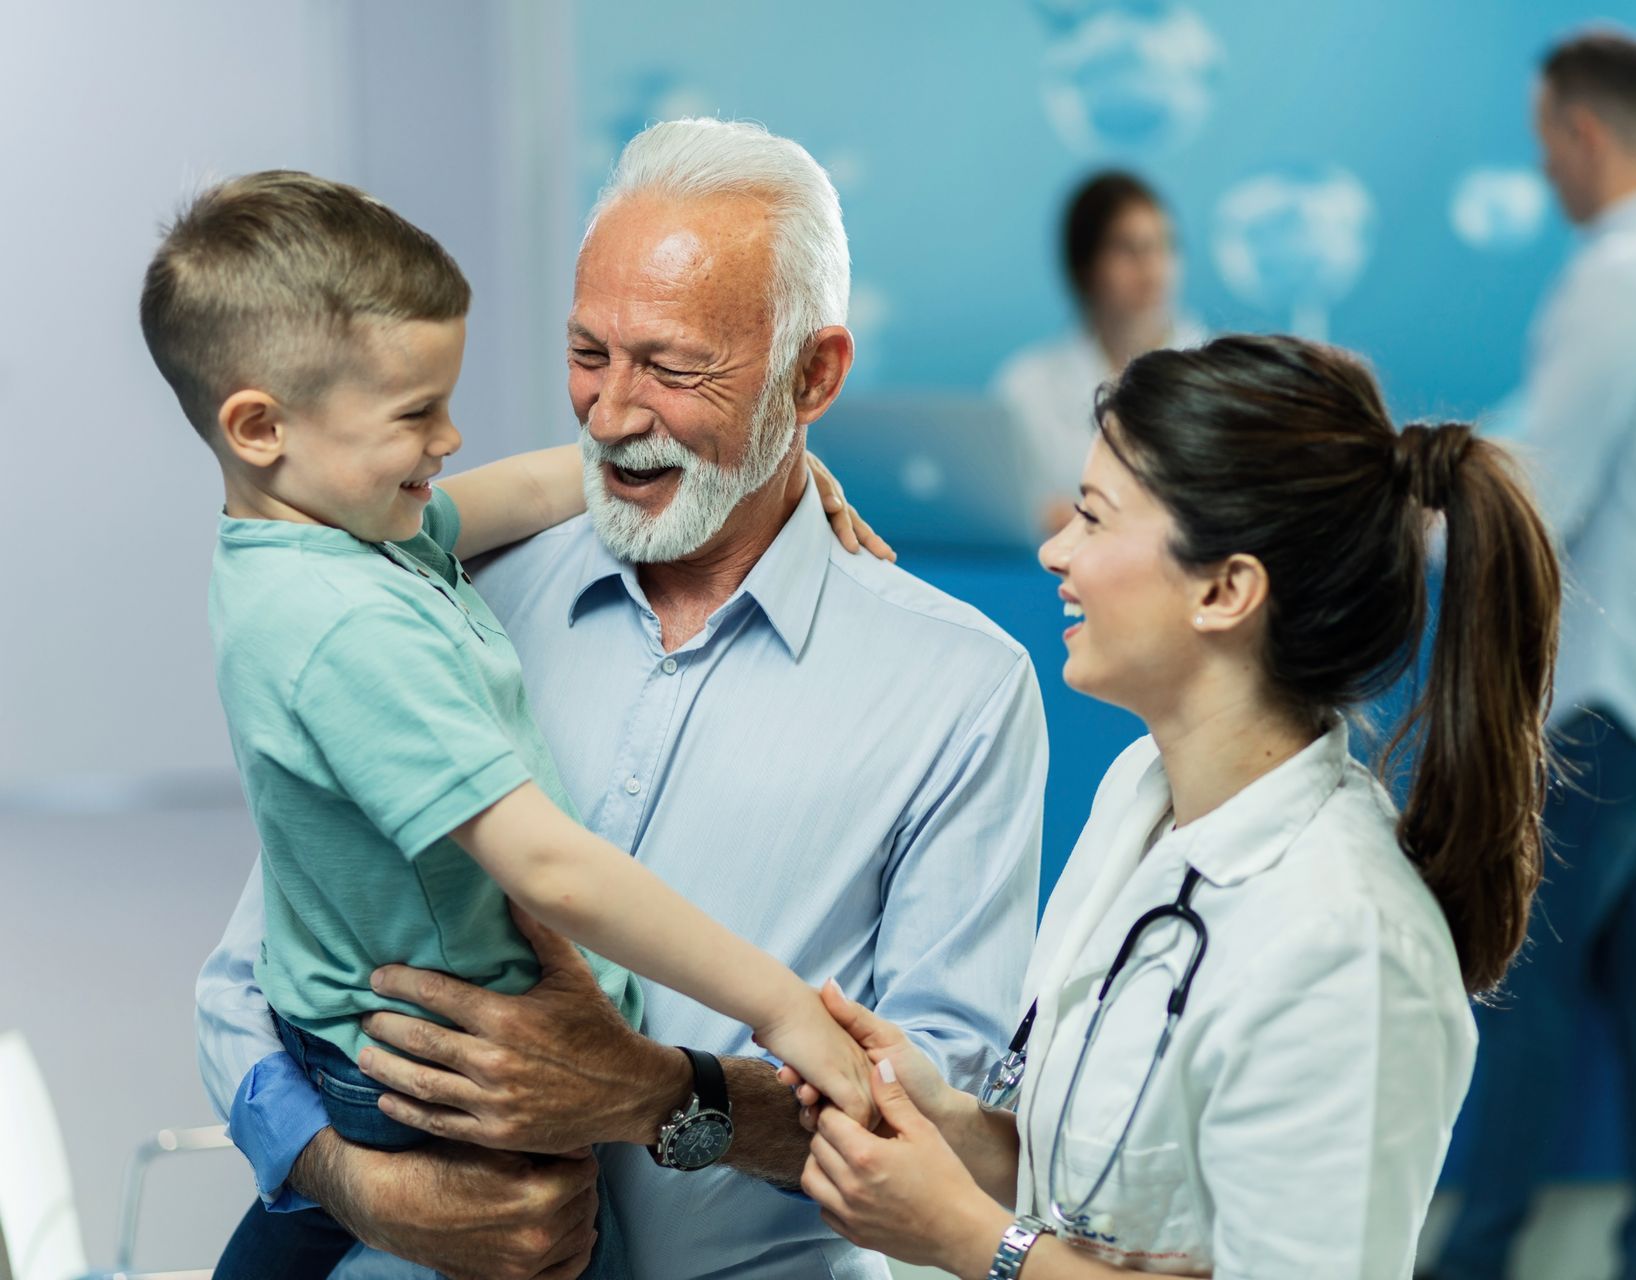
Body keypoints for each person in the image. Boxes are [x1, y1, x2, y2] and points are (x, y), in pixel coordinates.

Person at [194, 121, 1046, 1280]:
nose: (607, 412)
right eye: (587, 351)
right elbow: (257, 971)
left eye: (672, 365)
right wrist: (365, 1186)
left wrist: (661, 1093)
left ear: (815, 374)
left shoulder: (961, 687)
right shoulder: (433, 582)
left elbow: (936, 1140)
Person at [782, 333, 1564, 1277]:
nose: (1054, 549)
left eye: (1095, 519)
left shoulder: (1348, 947)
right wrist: (948, 1124)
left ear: (1227, 588)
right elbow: (1098, 1196)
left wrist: (968, 1240)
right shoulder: (1140, 794)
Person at [1430, 30, 1636, 1280]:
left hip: (1616, 689)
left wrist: (1404, 505)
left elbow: (1544, 477)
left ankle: (1475, 1259)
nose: (1540, 164)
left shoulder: (1628, 273)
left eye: (1543, 138)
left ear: (1580, 130)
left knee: (1525, 989)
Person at [993, 171, 1205, 534]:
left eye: (1164, 245)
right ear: (1085, 266)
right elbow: (1008, 509)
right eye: (1128, 248)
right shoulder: (1026, 385)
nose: (1152, 268)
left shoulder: (1219, 380)